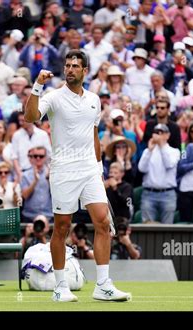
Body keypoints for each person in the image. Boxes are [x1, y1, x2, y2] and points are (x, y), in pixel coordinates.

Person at [24, 50, 131, 302]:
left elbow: (94, 136)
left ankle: (103, 285)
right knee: (61, 227)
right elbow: (30, 117)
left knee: (103, 222)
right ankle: (60, 287)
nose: (70, 69)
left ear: (85, 71)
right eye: (67, 65)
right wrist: (37, 85)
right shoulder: (52, 97)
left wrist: (98, 167)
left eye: (75, 66)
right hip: (63, 170)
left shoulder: (94, 99)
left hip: (90, 170)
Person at [138, 124, 180, 224]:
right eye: (157, 132)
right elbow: (141, 169)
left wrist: (161, 146)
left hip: (168, 194)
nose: (159, 135)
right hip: (149, 193)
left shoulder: (174, 151)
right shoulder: (147, 151)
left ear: (168, 135)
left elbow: (168, 164)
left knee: (167, 228)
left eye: (162, 133)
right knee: (147, 226)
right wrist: (149, 150)